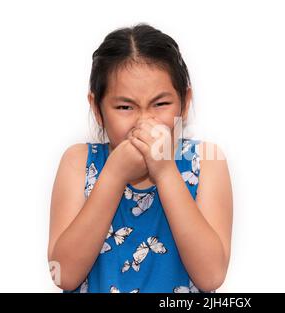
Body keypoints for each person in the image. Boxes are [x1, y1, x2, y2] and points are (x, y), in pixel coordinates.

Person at [47, 23, 233, 293]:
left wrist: (166, 172)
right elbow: (63, 275)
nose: (144, 122)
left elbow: (212, 275)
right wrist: (114, 175)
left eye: (160, 104)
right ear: (97, 110)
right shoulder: (77, 161)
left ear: (186, 101)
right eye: (125, 107)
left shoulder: (205, 162)